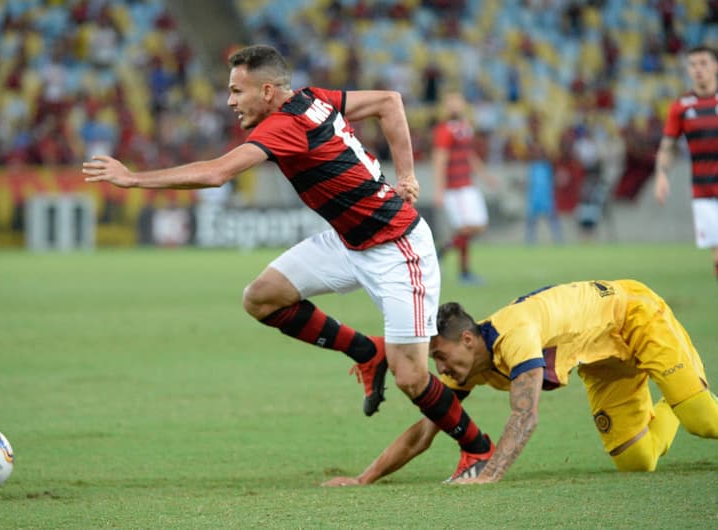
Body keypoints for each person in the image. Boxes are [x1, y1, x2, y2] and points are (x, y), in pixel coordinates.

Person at [82, 44, 494, 476]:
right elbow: (389, 102)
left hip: (397, 248)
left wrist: (132, 178)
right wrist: (406, 174)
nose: (230, 101)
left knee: (410, 376)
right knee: (262, 297)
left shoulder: (282, 126)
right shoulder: (314, 98)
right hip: (349, 241)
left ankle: (479, 449)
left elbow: (215, 173)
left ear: (265, 90)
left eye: (236, 91)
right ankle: (364, 351)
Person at [323, 280, 718, 486]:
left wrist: (490, 474)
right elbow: (422, 433)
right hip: (601, 360)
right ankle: (673, 402)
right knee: (638, 462)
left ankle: (686, 399)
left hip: (633, 315)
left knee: (703, 421)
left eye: (439, 355)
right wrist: (364, 478)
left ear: (466, 338)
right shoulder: (464, 364)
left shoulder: (516, 334)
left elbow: (525, 416)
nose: (438, 366)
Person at [654, 45, 718, 282]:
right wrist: (661, 174)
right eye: (693, 64)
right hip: (704, 192)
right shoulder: (681, 106)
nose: (698, 69)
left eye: (703, 63)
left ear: (715, 66)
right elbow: (668, 145)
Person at [432, 92, 496, 285]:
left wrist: (485, 176)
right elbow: (439, 159)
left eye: (457, 102)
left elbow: (470, 154)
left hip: (468, 184)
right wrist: (439, 189)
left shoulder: (465, 127)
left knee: (478, 226)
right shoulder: (444, 130)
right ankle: (464, 272)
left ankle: (441, 251)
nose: (454, 106)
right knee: (466, 228)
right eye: (450, 102)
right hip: (454, 186)